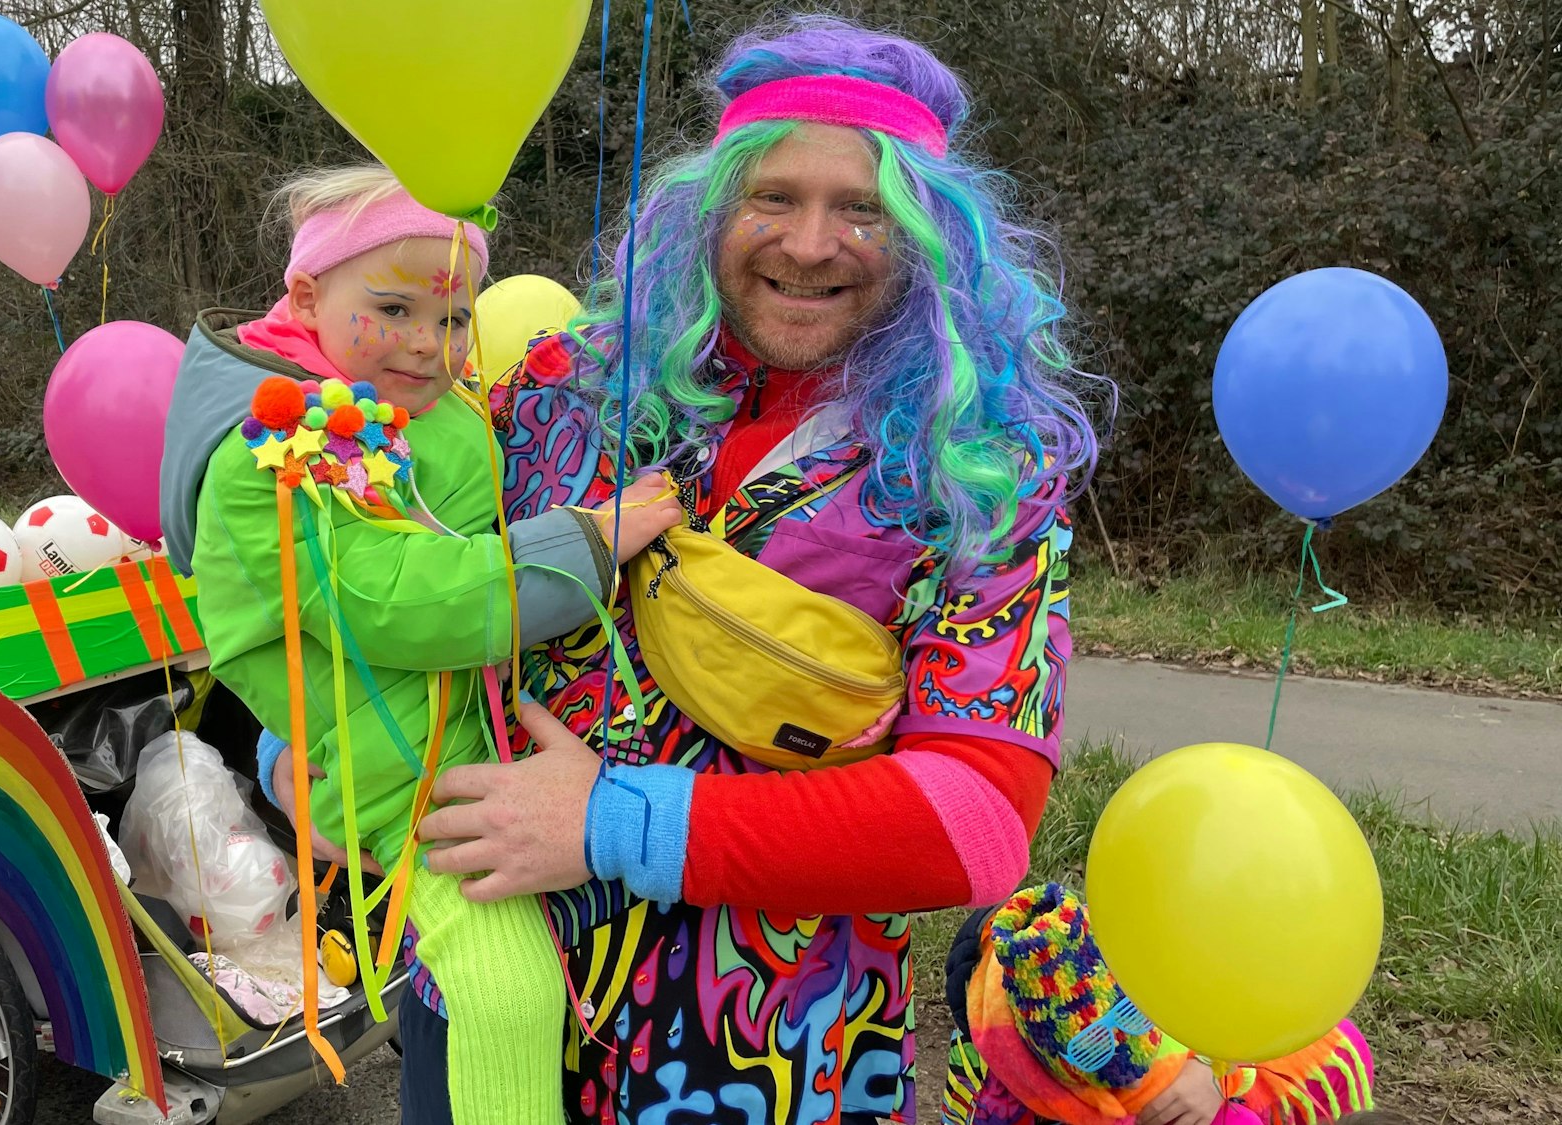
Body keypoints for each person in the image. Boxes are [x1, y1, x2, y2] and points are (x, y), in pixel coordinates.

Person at [369, 15, 1105, 1123]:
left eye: (862, 207)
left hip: (757, 1054)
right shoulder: (565, 386)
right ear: (706, 210)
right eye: (772, 198)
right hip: (478, 987)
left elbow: (973, 823)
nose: (809, 245)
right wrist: (308, 743)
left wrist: (611, 823)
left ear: (930, 235)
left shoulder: (980, 470)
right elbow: (395, 564)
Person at [157, 165, 682, 1124]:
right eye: (392, 307)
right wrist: (589, 543)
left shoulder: (427, 410)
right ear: (308, 296)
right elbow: (393, 597)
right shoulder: (276, 452)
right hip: (410, 784)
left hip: (471, 744)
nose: (425, 344)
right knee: (503, 989)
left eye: (450, 320)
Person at [939, 884, 1377, 1125]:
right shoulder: (997, 1086)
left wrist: (1212, 1066)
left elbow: (1224, 991)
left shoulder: (1121, 955)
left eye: (1126, 1012)